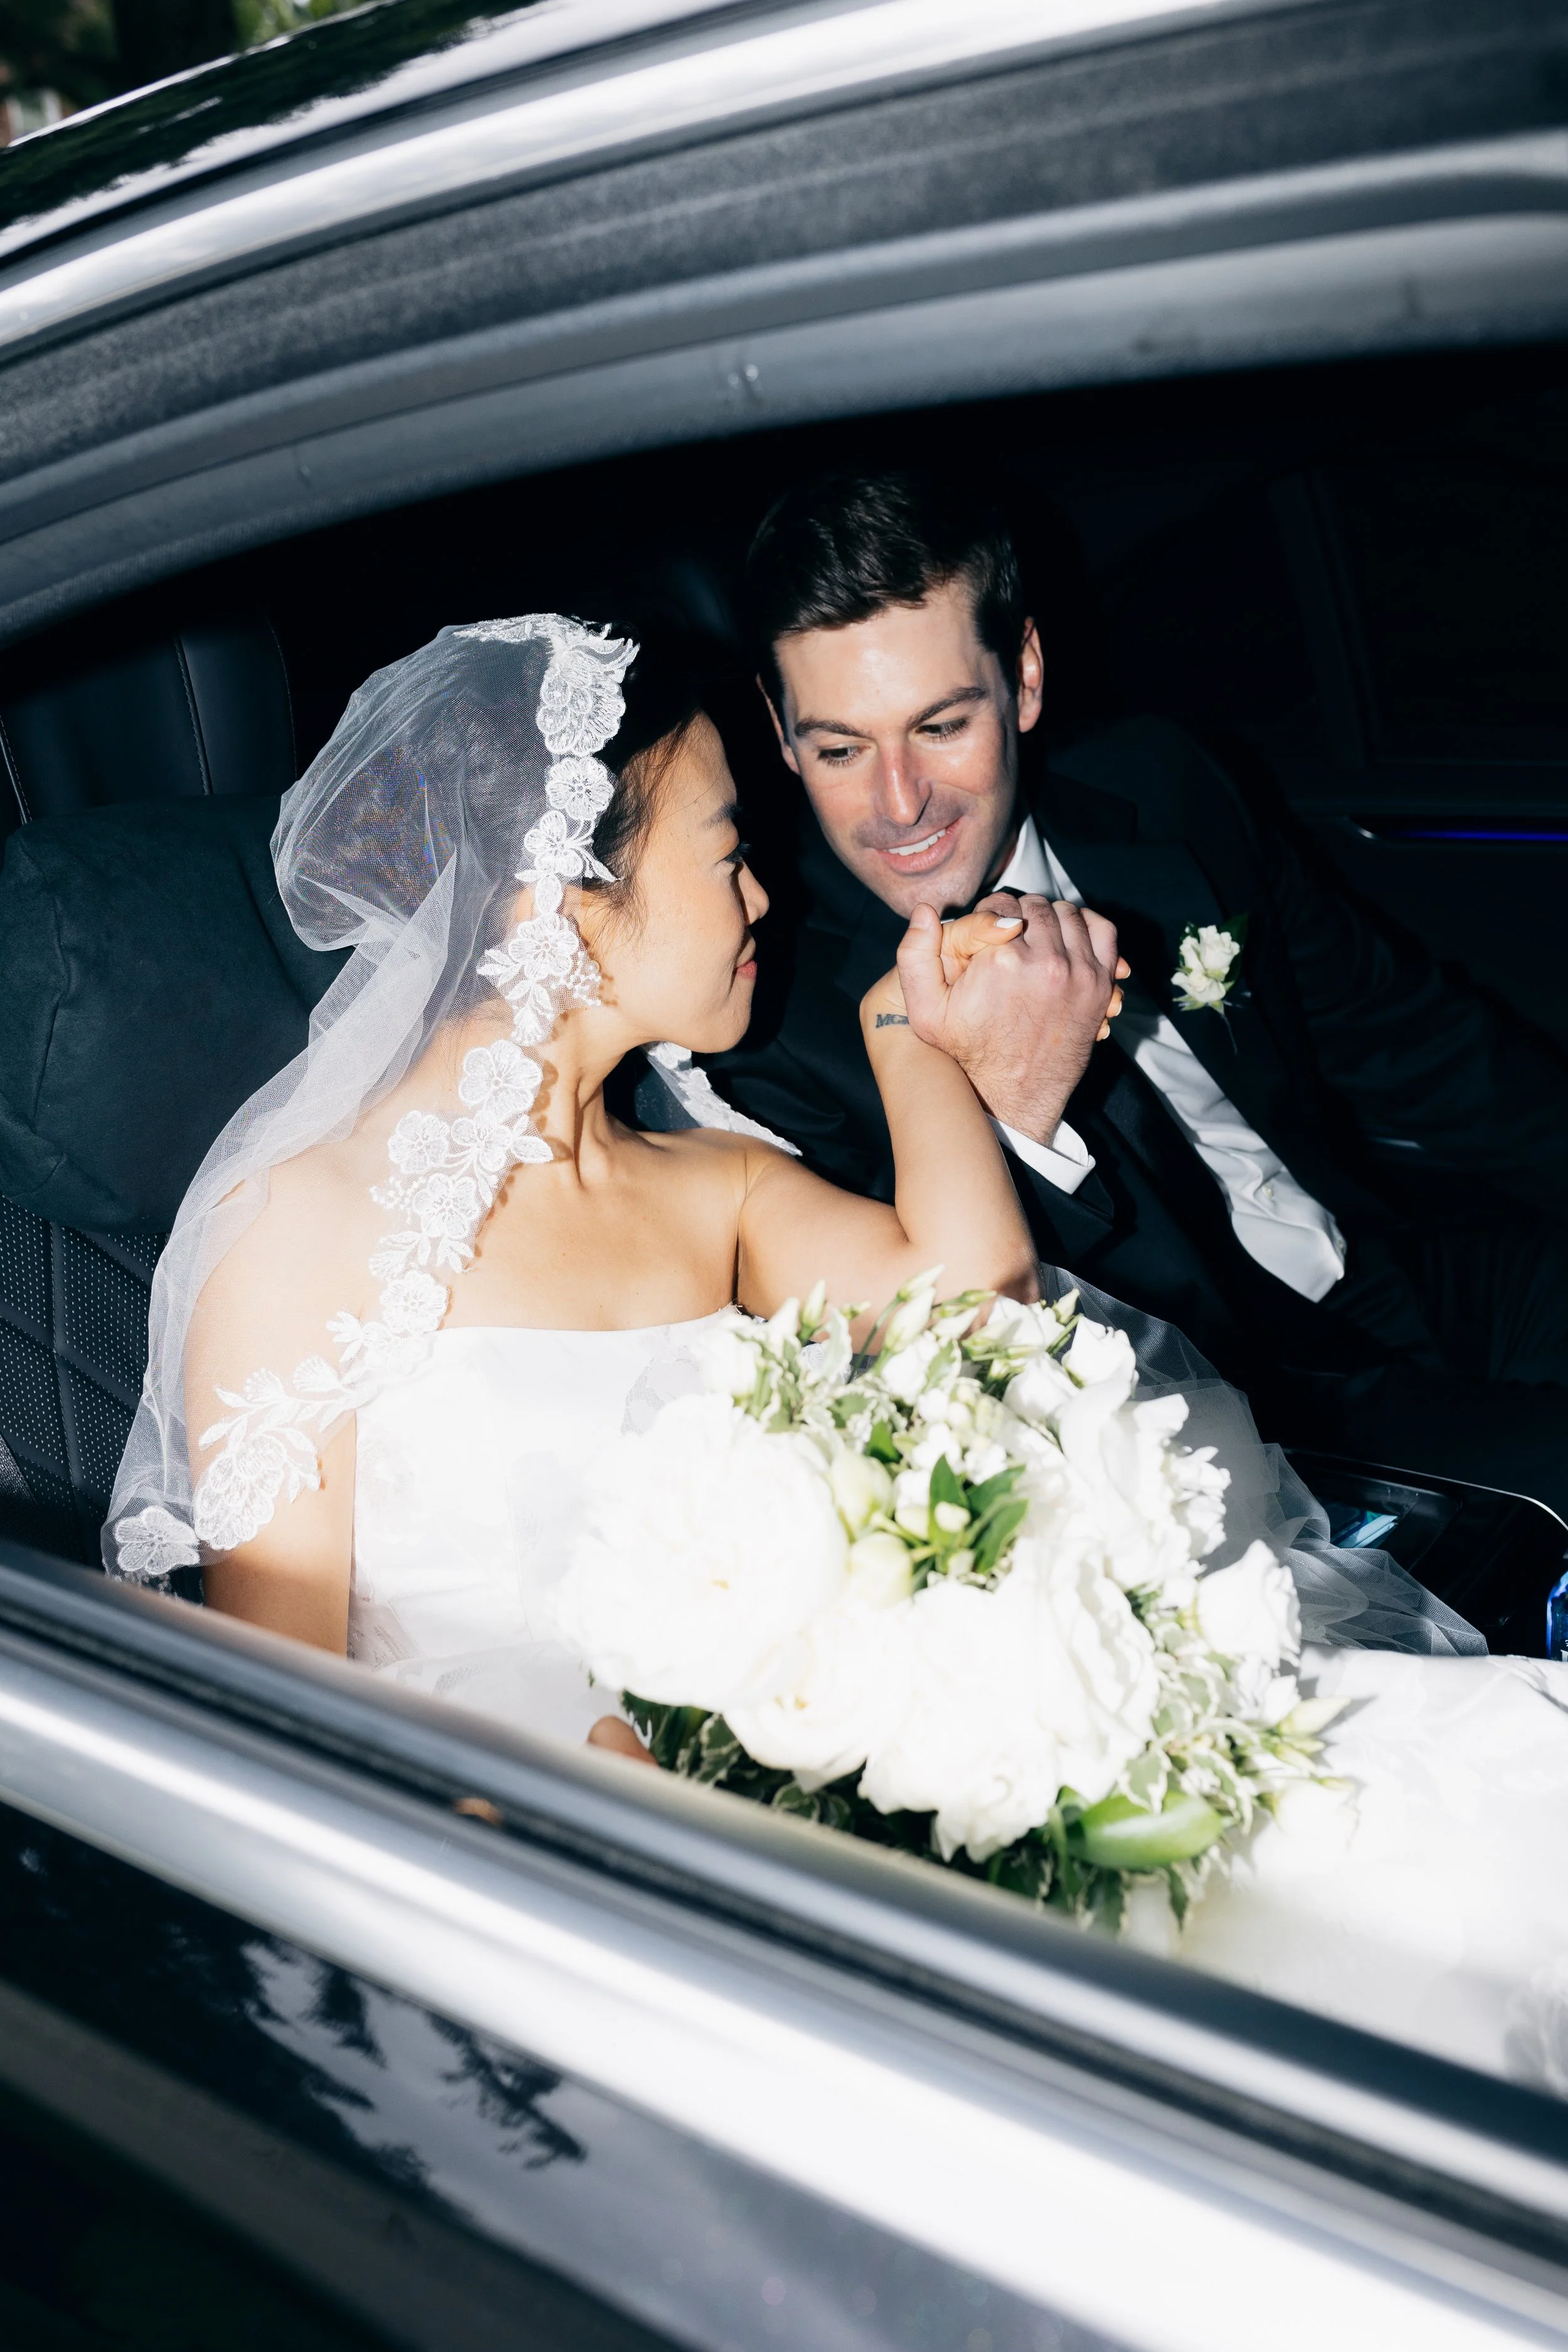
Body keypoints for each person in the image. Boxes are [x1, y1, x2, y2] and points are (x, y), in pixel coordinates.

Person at [102, 614, 1568, 2092]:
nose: (762, 891)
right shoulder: (302, 1228)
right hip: (537, 1883)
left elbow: (966, 1287)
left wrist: (907, 1026)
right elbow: (275, 1714)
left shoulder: (710, 1190)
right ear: (561, 901)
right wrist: (555, 1842)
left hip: (825, 1777)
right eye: (725, 849)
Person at [710, 467, 1568, 1517]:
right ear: (780, 730)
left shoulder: (1162, 784)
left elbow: (1415, 1045)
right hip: (1237, 1430)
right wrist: (1017, 1112)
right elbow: (950, 1387)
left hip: (1394, 1264)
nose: (900, 805)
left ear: (1023, 676)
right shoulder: (771, 1027)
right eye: (840, 747)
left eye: (941, 726)